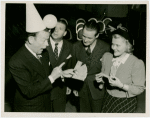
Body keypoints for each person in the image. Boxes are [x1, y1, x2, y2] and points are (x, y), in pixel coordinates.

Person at [8, 4, 71, 112]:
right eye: (43, 40)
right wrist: (52, 77)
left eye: (47, 40)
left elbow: (43, 73)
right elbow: (29, 91)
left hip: (46, 102)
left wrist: (60, 73)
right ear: (31, 40)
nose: (47, 45)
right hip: (30, 108)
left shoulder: (44, 53)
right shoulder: (16, 62)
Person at [95, 27, 145, 113]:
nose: (113, 48)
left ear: (127, 45)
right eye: (112, 44)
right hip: (108, 98)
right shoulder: (107, 56)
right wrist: (100, 81)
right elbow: (103, 79)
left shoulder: (136, 63)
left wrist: (121, 85)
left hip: (124, 102)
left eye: (117, 45)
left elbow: (139, 89)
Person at [70, 20, 110, 112]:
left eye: (89, 38)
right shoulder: (76, 46)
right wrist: (74, 87)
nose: (85, 40)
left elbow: (108, 69)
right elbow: (73, 67)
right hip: (81, 88)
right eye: (83, 36)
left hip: (97, 89)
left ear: (97, 36)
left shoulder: (105, 47)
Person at [46, 18, 73, 112]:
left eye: (60, 28)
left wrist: (69, 85)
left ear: (65, 33)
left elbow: (70, 66)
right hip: (44, 88)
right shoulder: (43, 43)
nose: (56, 30)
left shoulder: (70, 46)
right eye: (55, 27)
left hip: (61, 89)